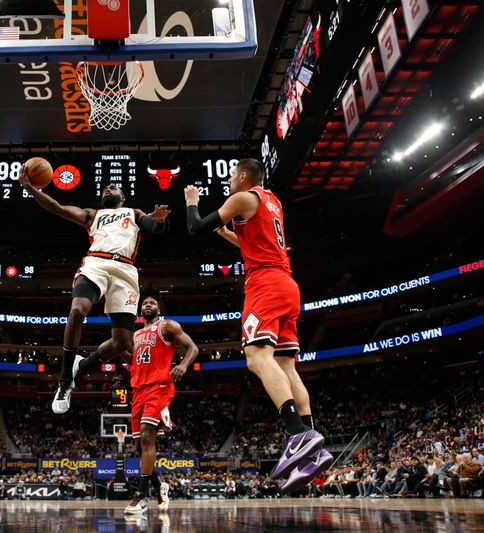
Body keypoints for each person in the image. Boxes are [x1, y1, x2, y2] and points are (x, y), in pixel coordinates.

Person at [184, 159, 329, 493]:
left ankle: (297, 435)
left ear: (244, 177)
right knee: (285, 365)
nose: (230, 182)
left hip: (264, 284)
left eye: (233, 176)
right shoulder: (271, 200)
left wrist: (192, 202)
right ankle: (312, 454)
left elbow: (195, 229)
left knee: (256, 357)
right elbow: (257, 244)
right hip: (286, 282)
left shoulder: (243, 197)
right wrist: (228, 235)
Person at [19, 170, 170, 414]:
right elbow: (57, 207)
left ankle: (83, 364)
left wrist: (160, 220)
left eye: (113, 187)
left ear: (122, 197)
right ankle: (66, 380)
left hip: (126, 271)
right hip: (96, 264)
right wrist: (31, 188)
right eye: (105, 188)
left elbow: (154, 228)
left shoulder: (134, 213)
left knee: (122, 342)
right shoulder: (92, 215)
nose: (108, 187)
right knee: (78, 309)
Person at [124, 296, 199, 515]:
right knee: (139, 448)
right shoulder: (136, 334)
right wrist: (119, 349)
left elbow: (193, 347)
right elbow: (134, 361)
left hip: (159, 387)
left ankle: (141, 496)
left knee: (148, 437)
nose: (147, 305)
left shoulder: (167, 326)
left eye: (152, 303)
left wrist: (183, 365)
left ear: (158, 309)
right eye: (144, 303)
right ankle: (159, 487)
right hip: (138, 390)